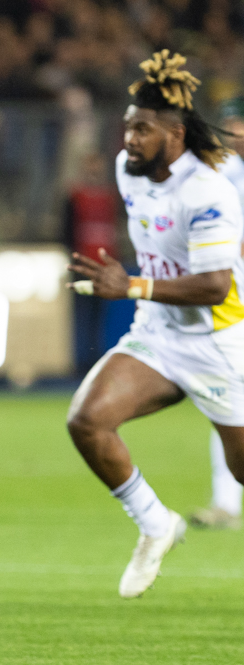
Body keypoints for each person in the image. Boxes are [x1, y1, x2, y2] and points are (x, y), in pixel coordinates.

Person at [66, 50, 244, 598]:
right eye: (128, 127)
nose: (130, 140)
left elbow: (215, 286)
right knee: (87, 420)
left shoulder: (207, 190)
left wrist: (132, 285)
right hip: (159, 333)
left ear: (176, 134)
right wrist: (135, 289)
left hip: (218, 342)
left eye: (143, 130)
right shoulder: (129, 171)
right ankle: (155, 523)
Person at [189, 97, 244, 530]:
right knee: (226, 397)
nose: (236, 133)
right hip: (233, 297)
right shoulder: (219, 172)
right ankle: (225, 504)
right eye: (230, 125)